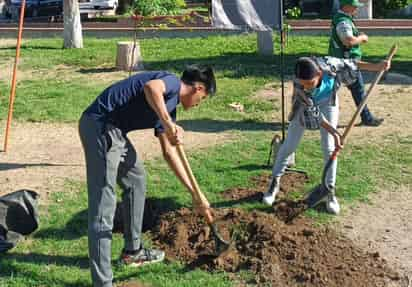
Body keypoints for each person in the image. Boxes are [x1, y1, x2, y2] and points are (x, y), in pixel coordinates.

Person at [79, 65, 216, 287]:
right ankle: (103, 282)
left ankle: (133, 251)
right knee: (103, 205)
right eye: (204, 97)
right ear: (198, 88)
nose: (201, 102)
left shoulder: (170, 107)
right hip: (100, 125)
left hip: (115, 131)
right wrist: (168, 122)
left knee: (136, 179)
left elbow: (169, 153)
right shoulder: (170, 82)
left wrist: (195, 194)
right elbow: (151, 87)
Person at [262, 56, 390, 214]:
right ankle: (274, 183)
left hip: (328, 102)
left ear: (320, 74)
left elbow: (353, 64)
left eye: (310, 83)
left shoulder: (332, 66)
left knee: (329, 147)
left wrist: (378, 66)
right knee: (289, 145)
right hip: (303, 107)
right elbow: (315, 115)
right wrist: (335, 132)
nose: (306, 87)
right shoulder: (300, 86)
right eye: (303, 84)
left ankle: (329, 191)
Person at [329, 0, 388, 126]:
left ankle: (366, 118)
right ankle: (367, 118)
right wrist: (362, 38)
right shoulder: (343, 21)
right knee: (352, 90)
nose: (357, 9)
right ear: (347, 7)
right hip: (345, 63)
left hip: (341, 61)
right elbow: (348, 41)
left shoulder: (344, 19)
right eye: (355, 6)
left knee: (350, 90)